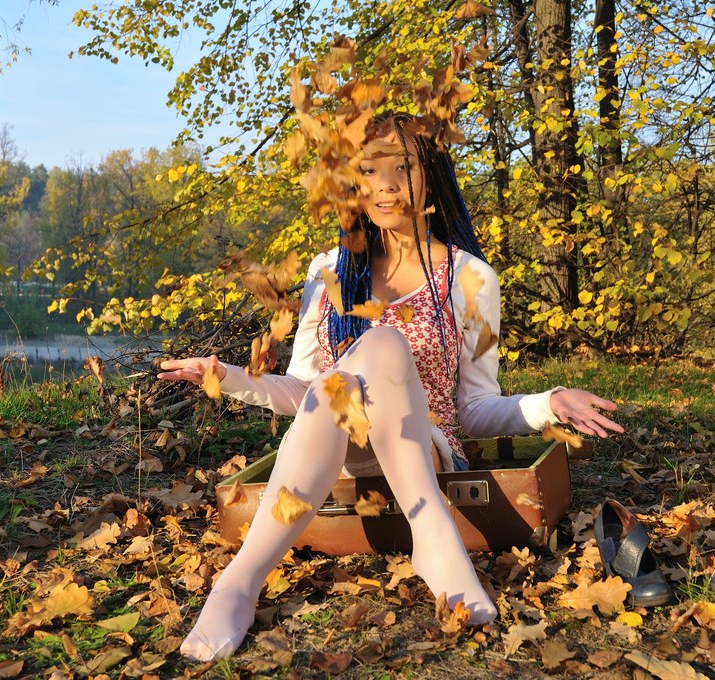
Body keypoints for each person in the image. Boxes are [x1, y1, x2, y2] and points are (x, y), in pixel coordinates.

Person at [158, 114, 624, 661]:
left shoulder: (471, 278)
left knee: (381, 345)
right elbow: (305, 393)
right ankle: (248, 580)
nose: (385, 186)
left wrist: (548, 402)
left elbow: (474, 408)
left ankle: (257, 578)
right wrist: (228, 378)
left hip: (426, 450)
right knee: (334, 385)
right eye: (368, 170)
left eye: (402, 168)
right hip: (335, 456)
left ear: (432, 173)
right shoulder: (328, 272)